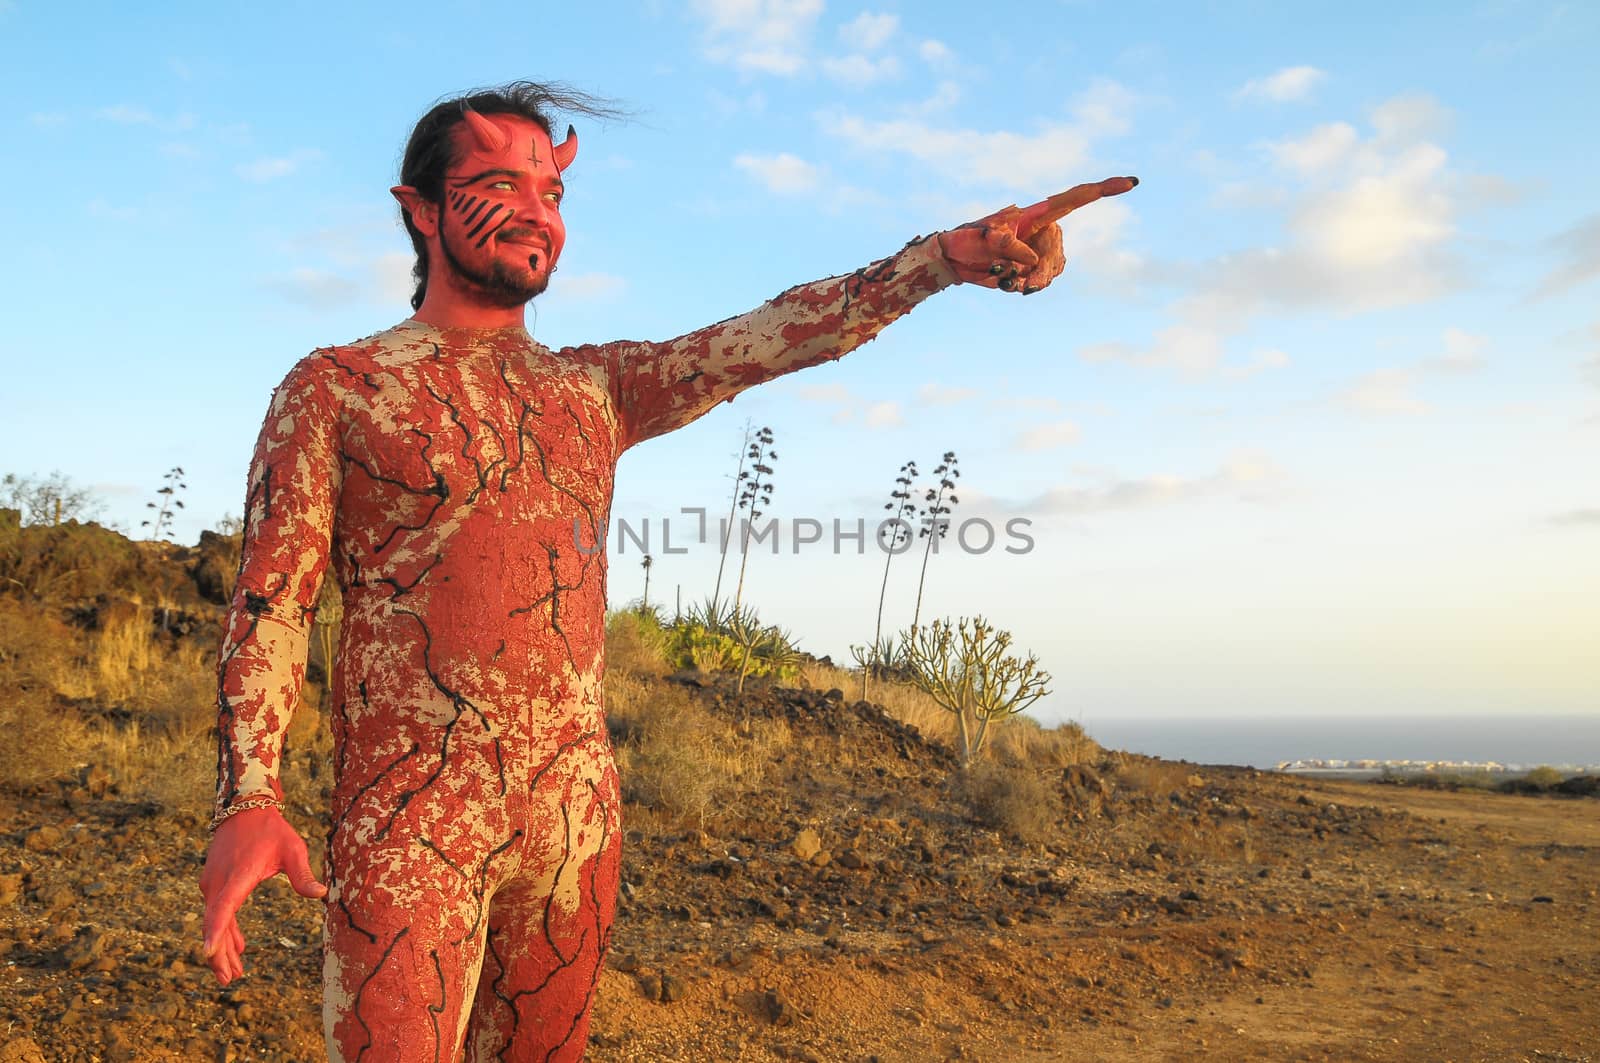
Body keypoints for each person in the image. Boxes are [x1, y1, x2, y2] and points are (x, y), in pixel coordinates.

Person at [198, 80, 1136, 1062]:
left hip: (576, 832)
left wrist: (946, 259)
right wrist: (248, 796)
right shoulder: (341, 388)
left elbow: (780, 334)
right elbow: (271, 601)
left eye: (551, 194)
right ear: (420, 210)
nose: (534, 213)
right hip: (409, 829)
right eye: (496, 185)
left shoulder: (596, 387)